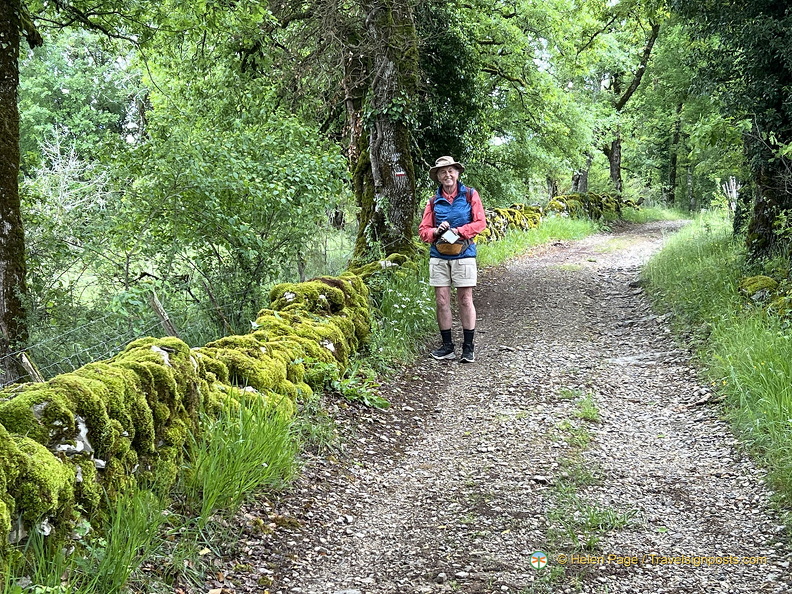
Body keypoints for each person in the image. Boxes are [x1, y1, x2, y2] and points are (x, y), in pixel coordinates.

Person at [418, 156, 487, 363]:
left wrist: (460, 230)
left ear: (457, 173)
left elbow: (480, 223)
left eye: (450, 171)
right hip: (438, 255)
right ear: (438, 177)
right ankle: (447, 346)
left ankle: (468, 347)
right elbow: (423, 231)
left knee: (466, 300)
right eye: (442, 172)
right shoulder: (432, 201)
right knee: (441, 300)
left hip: (464, 254)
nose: (447, 175)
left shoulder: (469, 195)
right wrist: (435, 231)